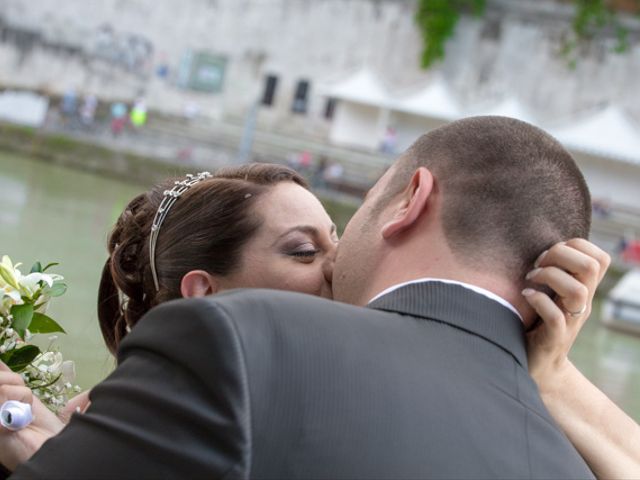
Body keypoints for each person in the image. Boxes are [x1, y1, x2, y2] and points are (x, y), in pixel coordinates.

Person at [0, 120, 633, 476]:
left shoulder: (238, 348)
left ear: (411, 199)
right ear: (202, 292)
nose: (337, 265)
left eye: (339, 230)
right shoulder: (561, 461)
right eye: (305, 251)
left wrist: (551, 377)